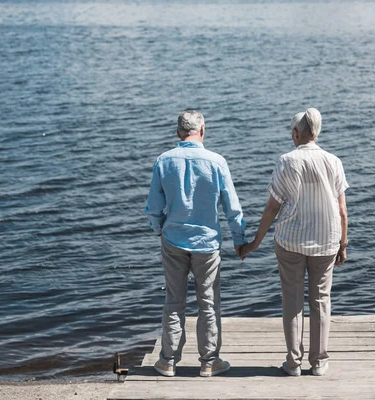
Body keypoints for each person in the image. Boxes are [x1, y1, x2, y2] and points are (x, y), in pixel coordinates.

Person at [240, 108, 349, 377]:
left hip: (290, 240)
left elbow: (272, 208)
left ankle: (293, 363)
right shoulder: (333, 161)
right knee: (321, 300)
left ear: (296, 133)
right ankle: (320, 362)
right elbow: (342, 210)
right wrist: (343, 243)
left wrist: (254, 243)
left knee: (292, 299)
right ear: (317, 132)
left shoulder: (286, 161)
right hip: (326, 240)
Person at [145, 110, 247, 377]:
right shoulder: (216, 161)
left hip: (173, 240)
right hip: (207, 243)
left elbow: (153, 208)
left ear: (179, 132)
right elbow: (232, 207)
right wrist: (239, 238)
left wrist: (159, 229)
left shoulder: (163, 161)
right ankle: (209, 362)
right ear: (202, 129)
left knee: (174, 301)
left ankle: (168, 361)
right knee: (209, 303)